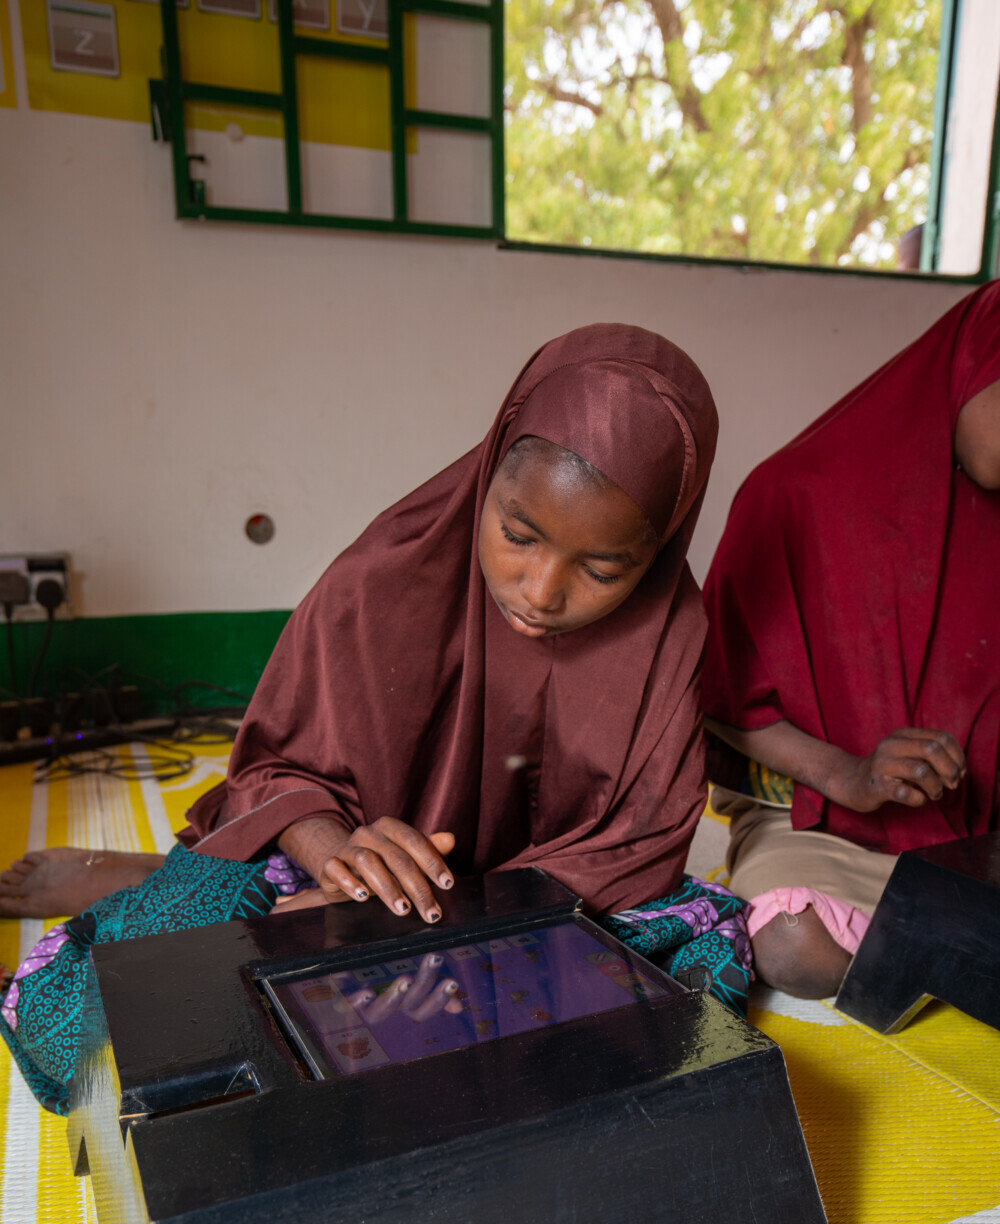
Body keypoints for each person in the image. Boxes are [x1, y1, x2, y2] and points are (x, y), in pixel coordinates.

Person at [0, 324, 752, 1113]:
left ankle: (277, 910)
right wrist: (338, 861)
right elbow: (274, 770)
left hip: (535, 902)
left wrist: (417, 921)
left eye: (604, 569)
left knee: (697, 972)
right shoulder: (383, 574)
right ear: (488, 472)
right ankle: (156, 876)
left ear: (662, 548)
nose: (540, 590)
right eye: (517, 535)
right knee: (122, 1018)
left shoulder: (670, 640)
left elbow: (636, 849)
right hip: (338, 864)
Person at [702, 283, 1000, 999]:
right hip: (821, 826)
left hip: (978, 845)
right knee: (793, 941)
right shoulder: (792, 495)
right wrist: (850, 774)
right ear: (971, 364)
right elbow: (719, 698)